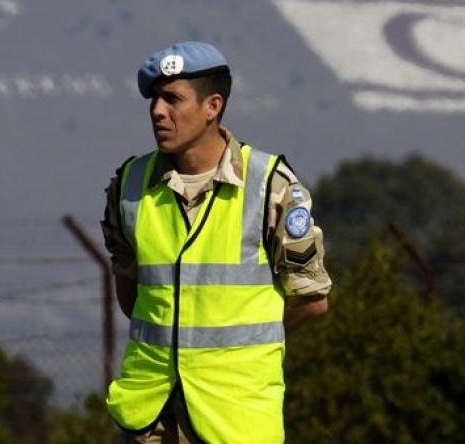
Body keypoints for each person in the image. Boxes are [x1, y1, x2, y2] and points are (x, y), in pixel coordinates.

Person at [100, 41, 332, 443]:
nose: (158, 111)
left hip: (235, 417)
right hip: (149, 415)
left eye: (173, 99)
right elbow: (130, 294)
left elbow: (312, 300)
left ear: (212, 106)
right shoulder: (129, 185)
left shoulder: (269, 186)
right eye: (154, 99)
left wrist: (246, 347)